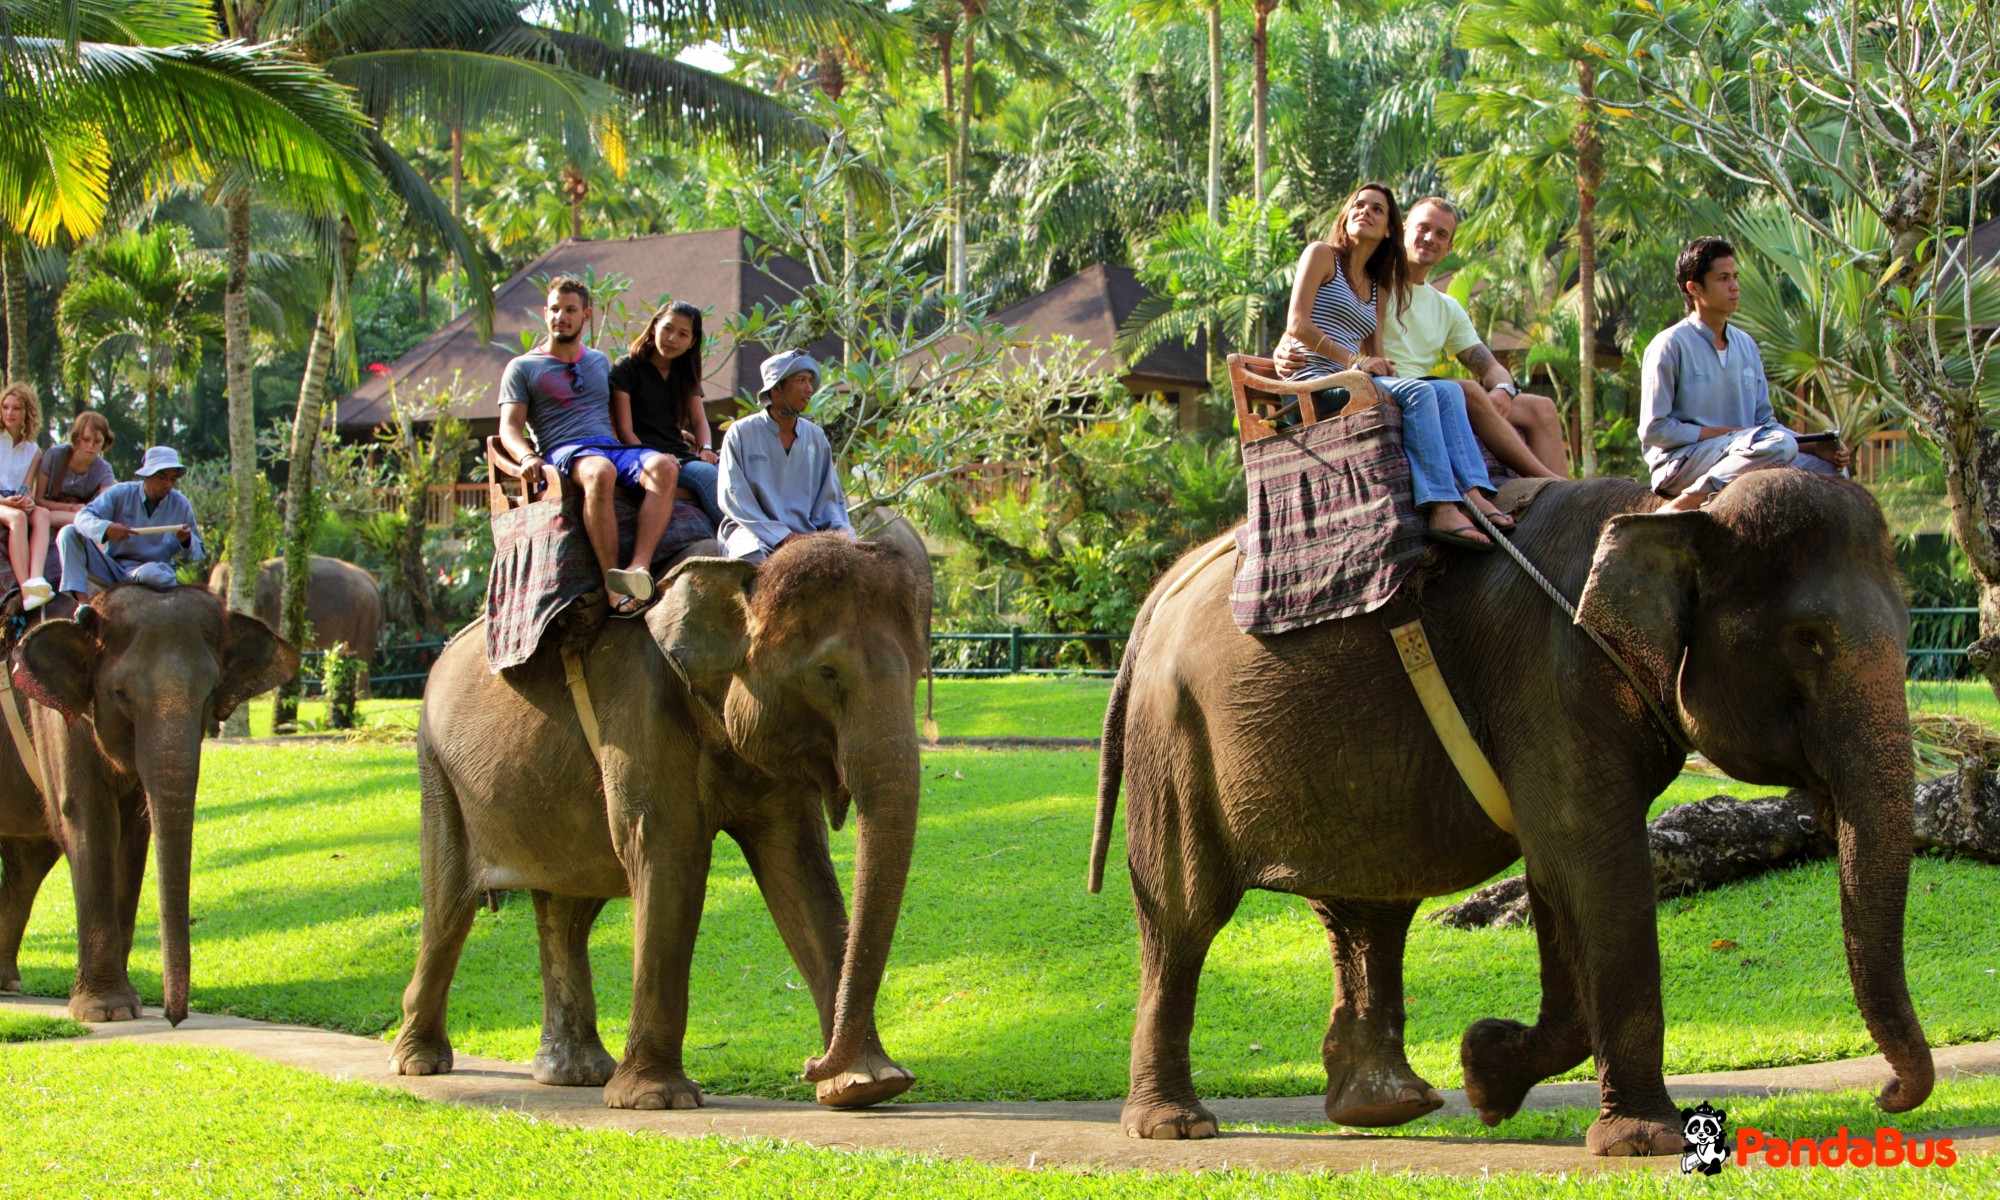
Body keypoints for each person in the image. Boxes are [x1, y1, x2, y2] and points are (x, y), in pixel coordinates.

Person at [1278, 183, 1509, 550]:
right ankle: (1440, 506)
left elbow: (1376, 354)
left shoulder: (1376, 287)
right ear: (1346, 214)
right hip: (1312, 385)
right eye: (1358, 205)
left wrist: (1381, 370)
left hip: (1351, 381)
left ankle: (1474, 492)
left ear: (1389, 228)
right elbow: (1297, 325)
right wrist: (1356, 361)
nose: (1364, 212)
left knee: (1446, 389)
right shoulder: (1321, 255)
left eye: (1376, 209)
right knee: (1421, 391)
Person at [1275, 196, 1568, 478]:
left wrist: (1504, 389)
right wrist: (1283, 347)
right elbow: (1308, 321)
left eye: (1441, 234)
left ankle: (1567, 498)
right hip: (1389, 388)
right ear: (1402, 230)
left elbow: (1489, 366)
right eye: (1423, 228)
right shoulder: (1369, 284)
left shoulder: (1448, 307)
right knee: (1465, 390)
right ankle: (1544, 480)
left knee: (1541, 407)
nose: (1430, 238)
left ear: (1449, 247)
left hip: (1430, 394)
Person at [499, 276, 683, 614]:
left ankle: (637, 568)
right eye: (554, 309)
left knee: (664, 466)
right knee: (600, 471)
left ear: (586, 316)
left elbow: (623, 418)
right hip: (563, 450)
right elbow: (508, 428)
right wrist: (526, 455)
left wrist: (671, 441)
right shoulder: (522, 367)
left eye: (570, 310)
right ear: (545, 313)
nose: (561, 317)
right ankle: (613, 586)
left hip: (609, 446)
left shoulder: (598, 361)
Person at [1641, 237, 1848, 512]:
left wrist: (1812, 445)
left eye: (1735, 277)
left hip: (1746, 451)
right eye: (1723, 278)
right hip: (1682, 463)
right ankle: (1688, 501)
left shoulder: (1746, 345)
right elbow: (1653, 429)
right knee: (1779, 445)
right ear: (1694, 288)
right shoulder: (1669, 345)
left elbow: (1765, 422)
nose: (1734, 286)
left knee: (1831, 468)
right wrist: (1718, 434)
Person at [716, 351, 852, 563]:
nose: (809, 389)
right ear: (776, 390)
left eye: (810, 381)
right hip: (750, 531)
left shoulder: (816, 438)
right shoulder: (741, 433)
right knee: (750, 557)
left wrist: (846, 538)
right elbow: (735, 498)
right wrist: (783, 537)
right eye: (801, 381)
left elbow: (830, 501)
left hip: (805, 535)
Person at [609, 300, 723, 524]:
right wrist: (654, 458)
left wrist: (706, 448)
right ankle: (742, 537)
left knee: (732, 473)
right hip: (644, 458)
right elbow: (624, 429)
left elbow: (699, 419)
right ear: (654, 327)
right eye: (668, 329)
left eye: (683, 334)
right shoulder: (627, 367)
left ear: (692, 342)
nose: (672, 339)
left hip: (680, 455)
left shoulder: (685, 373)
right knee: (708, 476)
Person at [57, 444, 203, 598]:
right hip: (113, 570)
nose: (167, 484)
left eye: (172, 479)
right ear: (147, 475)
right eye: (162, 477)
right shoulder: (120, 493)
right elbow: (81, 517)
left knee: (154, 574)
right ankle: (82, 603)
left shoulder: (181, 504)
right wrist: (106, 529)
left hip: (152, 573)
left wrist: (186, 541)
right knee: (67, 533)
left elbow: (197, 552)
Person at [0, 382, 53, 607]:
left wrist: (27, 500)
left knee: (41, 514)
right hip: (3, 503)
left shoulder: (34, 450)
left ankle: (36, 578)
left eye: (16, 408)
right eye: (5, 407)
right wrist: (5, 501)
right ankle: (25, 590)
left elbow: (25, 487)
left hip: (14, 501)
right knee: (17, 518)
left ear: (27, 413)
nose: (9, 413)